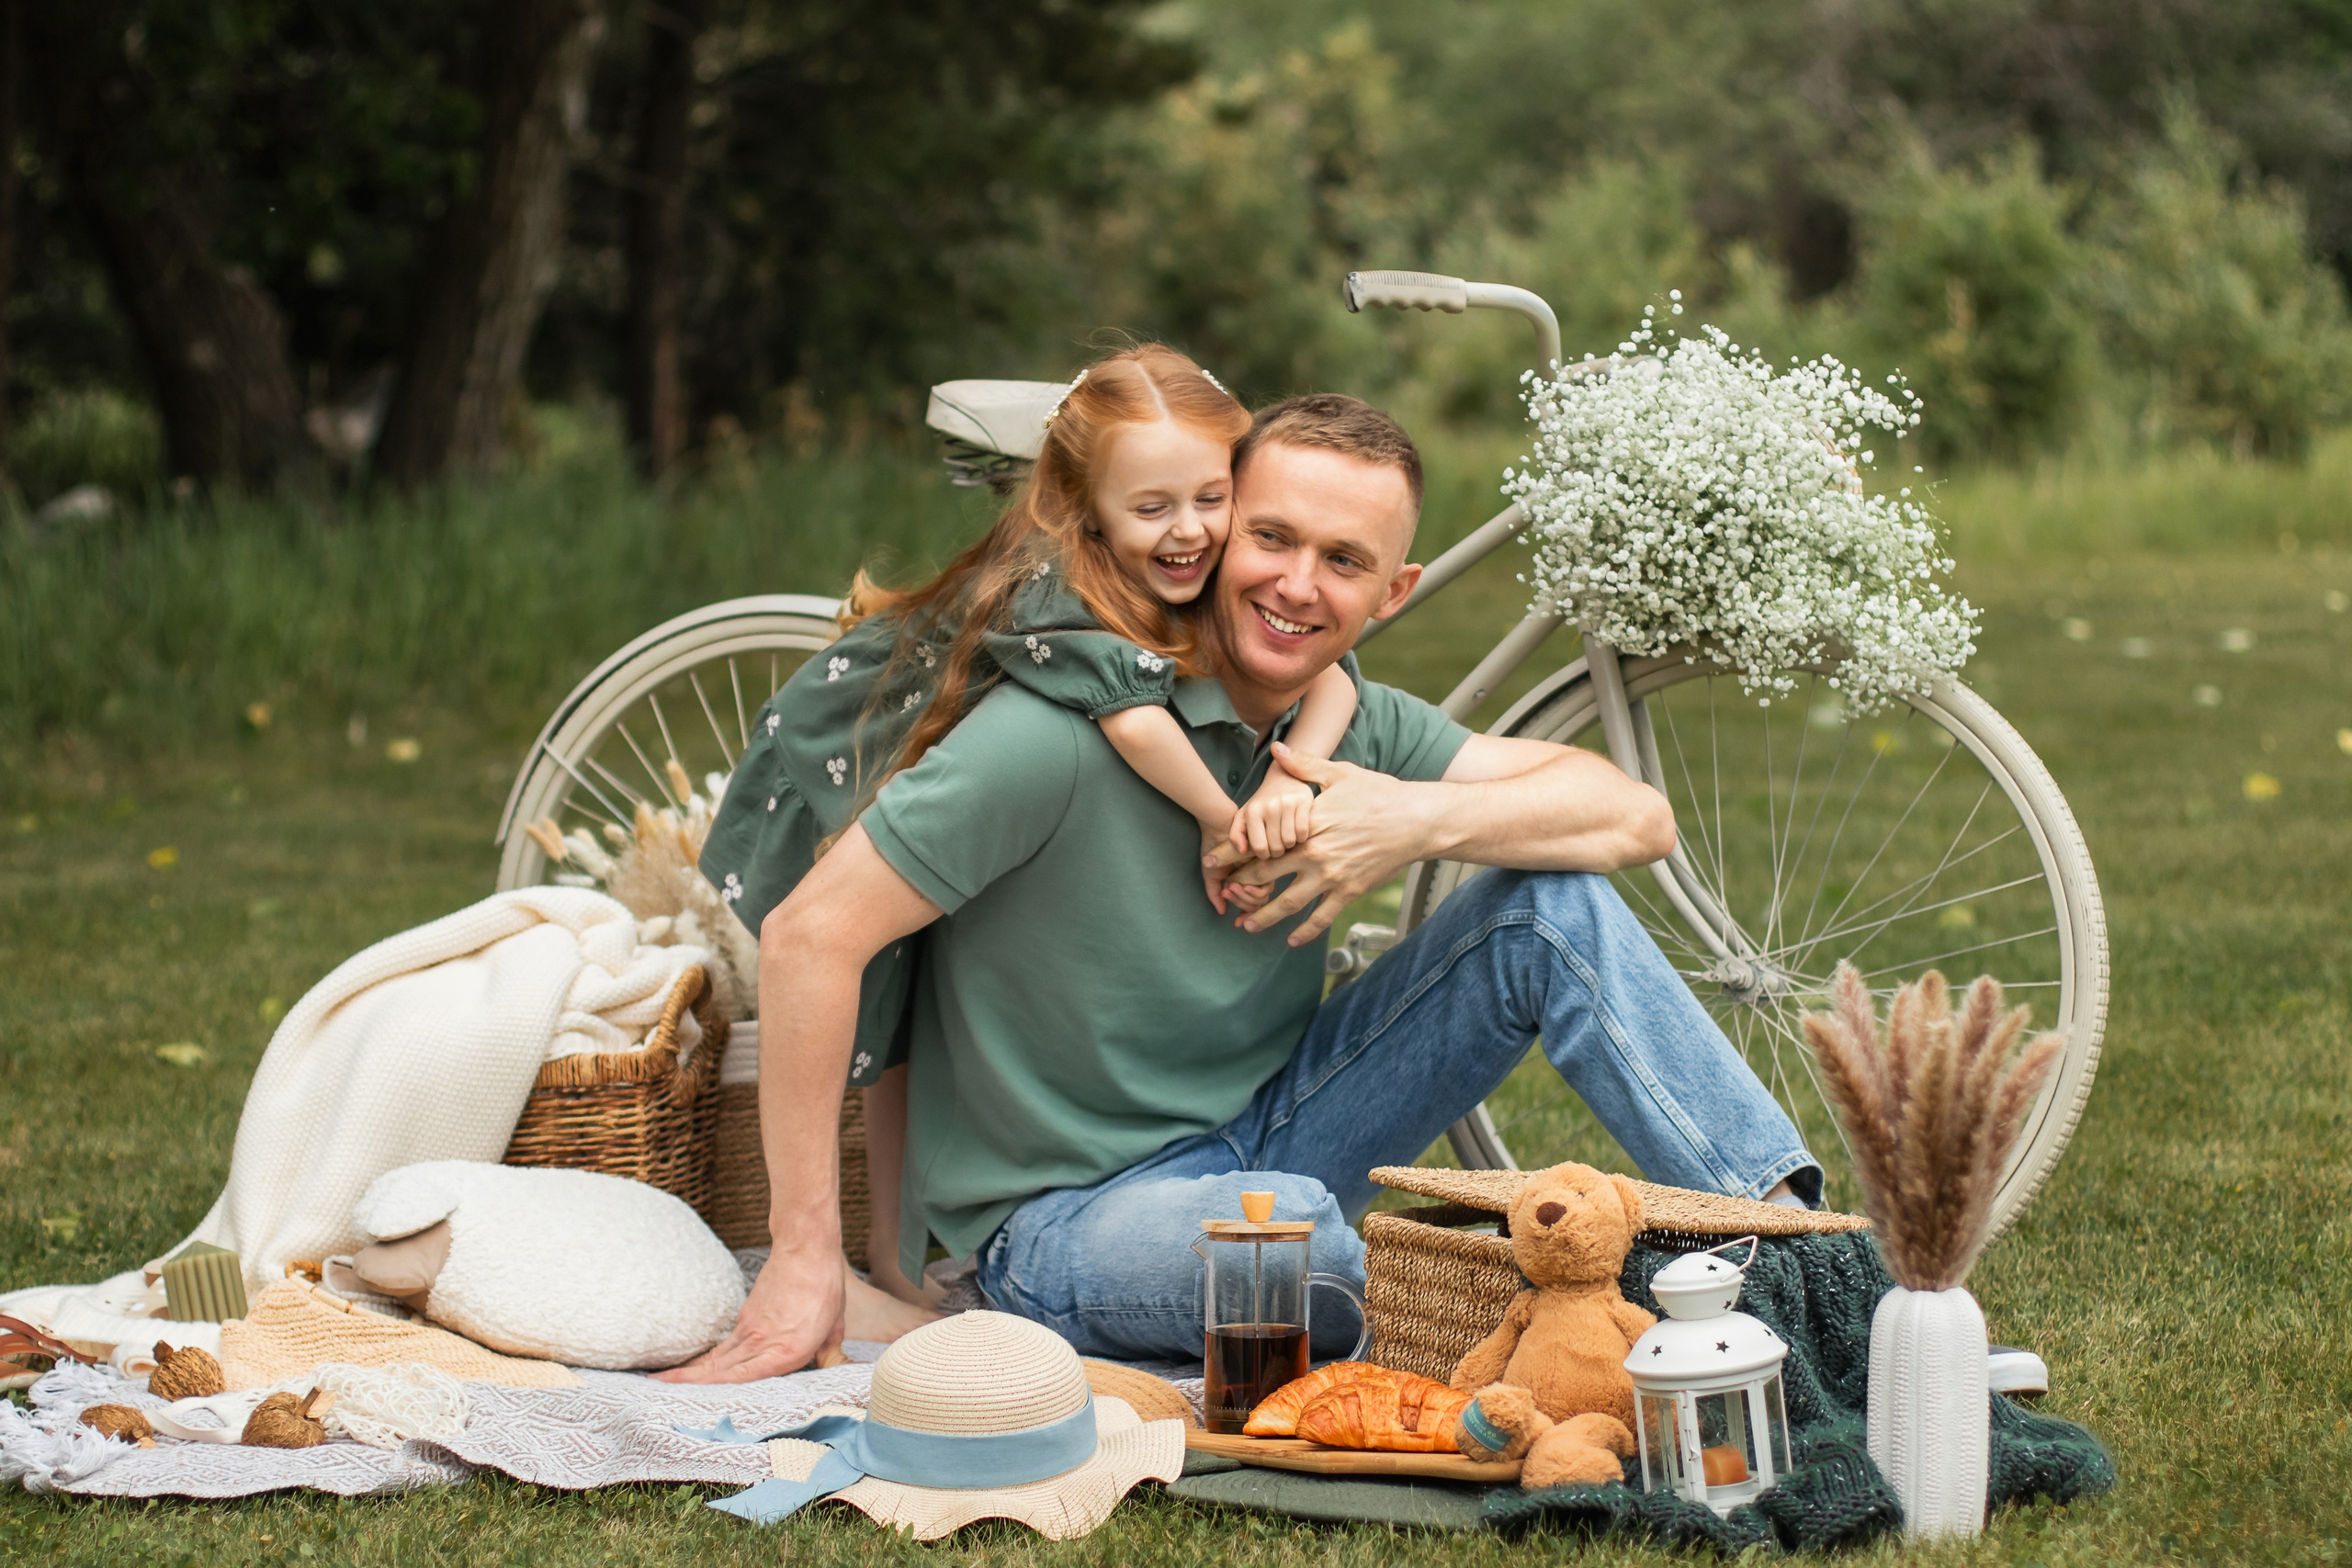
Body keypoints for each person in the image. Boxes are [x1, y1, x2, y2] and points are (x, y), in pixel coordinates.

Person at [662, 391, 1821, 1382]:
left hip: (1269, 1132)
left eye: (1344, 562)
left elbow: (1631, 814)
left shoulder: (1351, 730)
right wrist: (805, 1254)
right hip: (1054, 1227)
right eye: (1273, 537)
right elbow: (811, 937)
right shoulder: (1058, 737)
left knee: (1546, 909)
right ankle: (1614, 1319)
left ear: (1394, 591)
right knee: (1300, 1248)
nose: (1298, 585)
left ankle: (1806, 1267)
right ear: (1218, 536)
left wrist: (1403, 820)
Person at [696, 345, 1360, 1311]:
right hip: (871, 750)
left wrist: (1296, 773)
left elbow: (1331, 676)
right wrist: (1227, 820)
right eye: (1152, 509)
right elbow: (1134, 724)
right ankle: (884, 1251)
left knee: (931, 982)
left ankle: (893, 1253)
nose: (1189, 532)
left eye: (1210, 500)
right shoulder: (1072, 596)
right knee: (891, 994)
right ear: (1087, 511)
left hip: (964, 772)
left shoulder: (1215, 571)